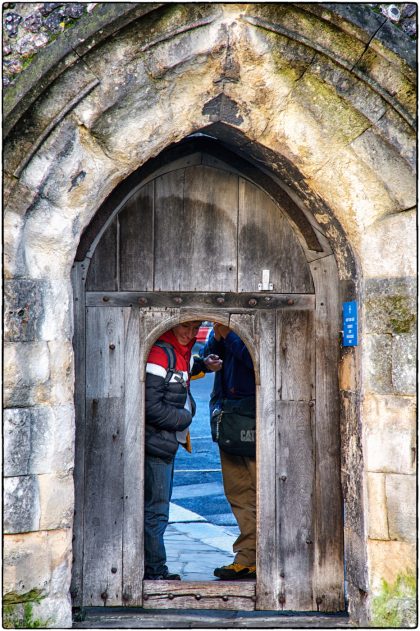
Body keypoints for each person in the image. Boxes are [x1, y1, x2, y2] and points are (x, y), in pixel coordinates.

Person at [144, 321, 221, 580]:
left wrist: (204, 365)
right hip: (157, 442)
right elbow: (150, 406)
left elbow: (186, 369)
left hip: (166, 442)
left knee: (158, 507)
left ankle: (153, 567)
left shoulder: (181, 353)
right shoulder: (159, 354)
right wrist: (183, 419)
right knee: (156, 510)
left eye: (194, 328)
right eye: (184, 328)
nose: (189, 334)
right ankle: (154, 571)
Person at [203, 323, 257, 580]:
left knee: (260, 492)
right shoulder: (223, 330)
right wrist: (216, 338)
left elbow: (255, 359)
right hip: (231, 420)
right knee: (238, 492)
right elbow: (213, 357)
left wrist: (230, 334)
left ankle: (259, 556)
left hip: (253, 418)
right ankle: (247, 557)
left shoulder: (248, 325)